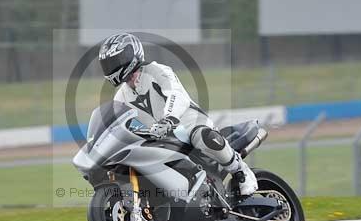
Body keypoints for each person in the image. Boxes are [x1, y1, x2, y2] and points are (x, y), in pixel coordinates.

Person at [98, 32, 258, 195]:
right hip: (159, 138)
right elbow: (117, 122)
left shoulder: (156, 71)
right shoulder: (121, 96)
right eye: (108, 63)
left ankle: (241, 171)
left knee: (203, 136)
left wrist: (169, 119)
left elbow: (176, 94)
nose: (112, 66)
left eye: (115, 60)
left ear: (131, 54)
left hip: (187, 124)